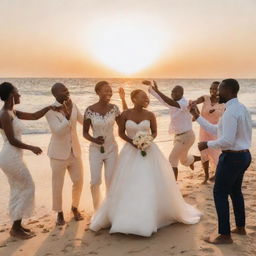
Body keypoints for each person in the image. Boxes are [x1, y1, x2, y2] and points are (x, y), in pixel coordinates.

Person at [89, 89, 202, 237]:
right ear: (134, 98)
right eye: (143, 97)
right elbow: (121, 133)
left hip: (148, 150)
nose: (146, 100)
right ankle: (124, 216)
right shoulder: (126, 114)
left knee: (147, 182)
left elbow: (154, 132)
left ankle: (149, 217)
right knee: (127, 183)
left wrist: (147, 141)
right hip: (129, 151)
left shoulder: (150, 115)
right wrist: (133, 142)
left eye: (146, 98)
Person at [190, 79, 252, 244]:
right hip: (244, 155)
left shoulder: (231, 112)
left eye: (221, 89)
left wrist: (206, 144)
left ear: (230, 91)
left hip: (232, 157)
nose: (217, 93)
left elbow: (227, 141)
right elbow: (218, 131)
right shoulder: (240, 108)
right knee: (235, 192)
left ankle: (224, 235)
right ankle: (240, 227)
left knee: (219, 193)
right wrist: (197, 117)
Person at [0, 82, 56, 239]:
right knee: (28, 187)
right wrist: (31, 147)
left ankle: (17, 225)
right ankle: (15, 228)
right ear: (11, 95)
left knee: (18, 189)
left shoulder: (13, 112)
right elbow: (11, 140)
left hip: (15, 155)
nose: (20, 95)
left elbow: (34, 116)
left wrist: (49, 108)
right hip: (9, 156)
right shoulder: (4, 114)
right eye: (17, 92)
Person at [142, 80, 200, 180]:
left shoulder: (183, 103)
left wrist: (155, 89)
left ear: (182, 94)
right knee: (184, 161)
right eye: (172, 92)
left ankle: (174, 186)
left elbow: (168, 101)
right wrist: (154, 89)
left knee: (172, 159)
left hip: (186, 137)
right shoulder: (175, 103)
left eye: (175, 92)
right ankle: (196, 159)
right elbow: (163, 100)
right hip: (179, 137)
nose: (172, 94)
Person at [45, 83, 84, 226]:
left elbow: (84, 121)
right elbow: (57, 131)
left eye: (67, 89)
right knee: (57, 185)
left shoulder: (74, 106)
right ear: (55, 94)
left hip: (75, 151)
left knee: (79, 181)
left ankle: (74, 207)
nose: (67, 92)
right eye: (63, 90)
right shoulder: (50, 111)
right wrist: (67, 117)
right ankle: (59, 213)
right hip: (57, 154)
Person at [83, 81, 121, 211]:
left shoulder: (115, 108)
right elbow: (84, 133)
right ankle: (97, 209)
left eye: (110, 90)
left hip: (111, 149)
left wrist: (123, 99)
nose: (109, 92)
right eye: (105, 90)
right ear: (98, 92)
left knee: (110, 181)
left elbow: (123, 126)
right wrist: (93, 139)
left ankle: (110, 209)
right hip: (95, 150)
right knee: (95, 181)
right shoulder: (90, 110)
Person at [191, 81, 225, 184]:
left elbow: (227, 118)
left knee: (217, 154)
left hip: (215, 131)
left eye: (215, 89)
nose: (212, 91)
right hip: (203, 131)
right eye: (211, 88)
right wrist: (195, 113)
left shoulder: (224, 104)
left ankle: (217, 174)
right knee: (204, 153)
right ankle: (206, 176)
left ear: (221, 90)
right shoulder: (205, 98)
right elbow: (194, 102)